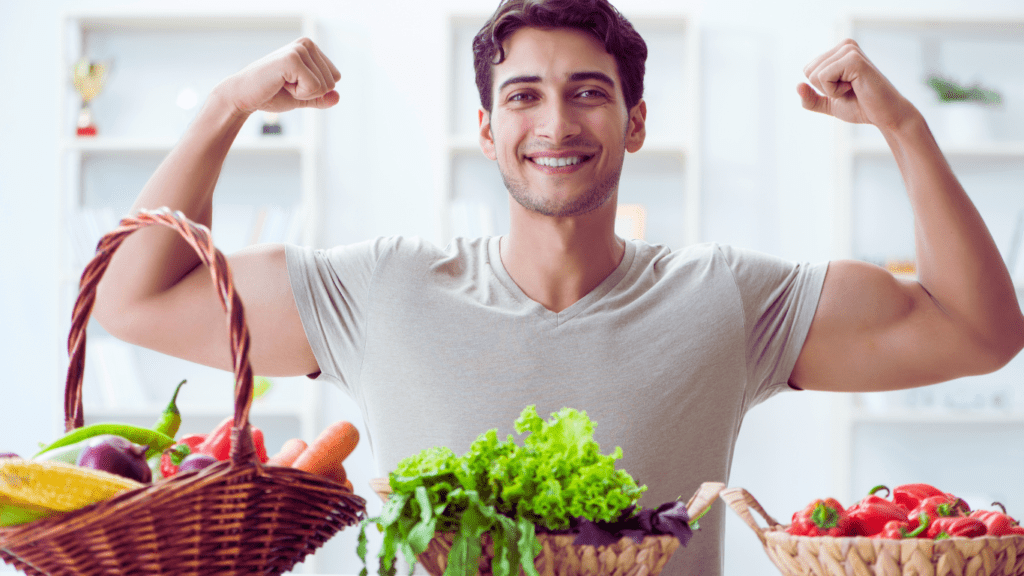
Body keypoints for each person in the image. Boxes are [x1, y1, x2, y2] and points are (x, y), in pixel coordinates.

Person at [92, 0, 1024, 574]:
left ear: (636, 121)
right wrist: (226, 108)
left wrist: (901, 126)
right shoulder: (378, 289)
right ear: (489, 130)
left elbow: (979, 331)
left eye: (588, 90)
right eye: (523, 95)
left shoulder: (727, 298)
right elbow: (135, 297)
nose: (556, 120)